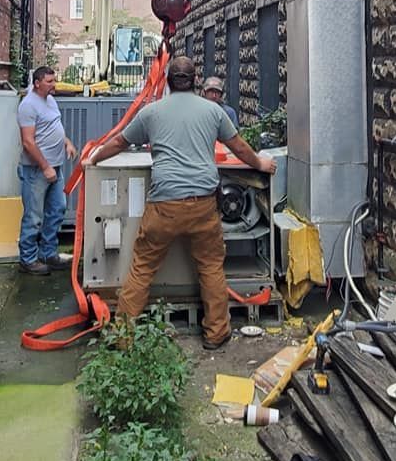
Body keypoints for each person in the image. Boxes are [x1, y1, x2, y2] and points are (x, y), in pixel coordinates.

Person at [86, 56, 276, 350]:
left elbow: (120, 142)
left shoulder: (152, 112)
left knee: (142, 268)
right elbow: (238, 146)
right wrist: (261, 164)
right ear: (195, 80)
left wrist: (94, 157)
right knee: (211, 267)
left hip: (164, 205)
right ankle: (216, 333)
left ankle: (122, 336)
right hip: (203, 204)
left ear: (168, 80)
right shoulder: (212, 111)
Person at [17, 66, 77, 275]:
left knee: (57, 209)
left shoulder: (50, 101)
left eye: (54, 80)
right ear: (37, 83)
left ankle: (48, 253)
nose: (54, 85)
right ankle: (27, 259)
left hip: (55, 167)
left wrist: (67, 142)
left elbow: (54, 126)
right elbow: (28, 142)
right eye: (50, 81)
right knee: (34, 216)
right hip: (37, 170)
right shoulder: (28, 106)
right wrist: (45, 166)